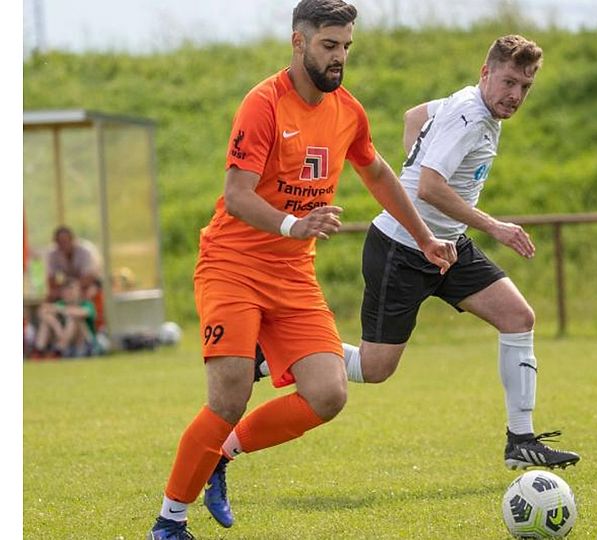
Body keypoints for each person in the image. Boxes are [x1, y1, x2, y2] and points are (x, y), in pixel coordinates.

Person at [146, 1, 457, 538]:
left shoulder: (348, 111)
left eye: (346, 47)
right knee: (228, 397)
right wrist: (294, 224)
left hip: (292, 274)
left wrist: (425, 237)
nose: (339, 57)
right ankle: (169, 522)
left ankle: (222, 453)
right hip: (232, 265)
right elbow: (237, 195)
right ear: (299, 42)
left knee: (328, 393)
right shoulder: (263, 104)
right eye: (329, 45)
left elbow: (379, 174)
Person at [252, 34, 581, 475]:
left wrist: (420, 160)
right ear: (485, 73)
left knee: (518, 317)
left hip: (447, 245)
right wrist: (492, 224)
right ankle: (275, 352)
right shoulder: (469, 116)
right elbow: (429, 187)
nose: (515, 95)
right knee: (374, 368)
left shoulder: (471, 105)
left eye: (525, 87)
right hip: (401, 248)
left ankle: (521, 440)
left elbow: (415, 116)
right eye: (508, 83)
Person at [30, 279, 97, 358]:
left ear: (78, 291)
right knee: (46, 322)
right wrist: (56, 325)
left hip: (84, 342)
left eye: (71, 289)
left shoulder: (86, 303)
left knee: (73, 319)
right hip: (64, 337)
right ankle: (39, 351)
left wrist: (60, 310)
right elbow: (42, 311)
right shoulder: (61, 304)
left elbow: (84, 312)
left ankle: (59, 350)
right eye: (66, 290)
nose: (69, 293)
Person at [44, 225, 101, 302]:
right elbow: (51, 278)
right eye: (59, 242)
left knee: (89, 292)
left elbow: (89, 277)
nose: (63, 245)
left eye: (65, 241)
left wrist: (73, 288)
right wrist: (61, 289)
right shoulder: (53, 254)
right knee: (52, 295)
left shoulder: (85, 251)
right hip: (67, 284)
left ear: (72, 240)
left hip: (88, 284)